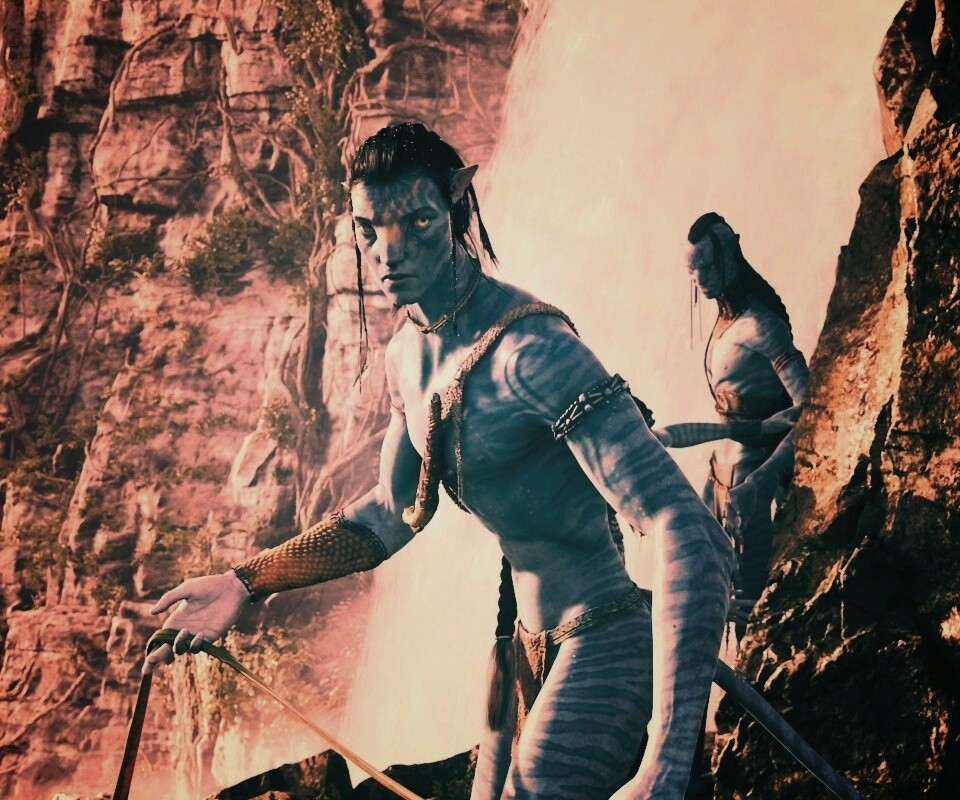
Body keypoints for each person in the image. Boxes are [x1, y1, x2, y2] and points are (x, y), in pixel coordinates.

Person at [143, 123, 734, 800]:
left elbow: (684, 524)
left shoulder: (534, 351)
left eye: (417, 221)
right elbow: (391, 513)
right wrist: (246, 581)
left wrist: (665, 761)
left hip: (605, 634)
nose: (388, 252)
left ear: (456, 205)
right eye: (369, 229)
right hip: (519, 649)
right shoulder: (406, 355)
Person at [652, 212, 808, 638]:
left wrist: (763, 478)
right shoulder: (725, 323)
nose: (699, 278)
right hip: (720, 474)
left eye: (706, 266)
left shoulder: (761, 326)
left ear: (730, 255)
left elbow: (811, 408)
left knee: (748, 605)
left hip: (750, 482)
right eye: (692, 270)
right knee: (713, 589)